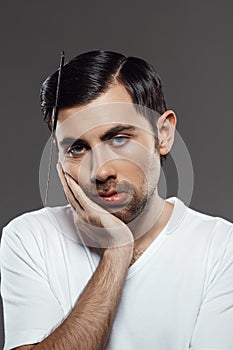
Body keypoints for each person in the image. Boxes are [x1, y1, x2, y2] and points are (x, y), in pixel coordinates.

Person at [1, 50, 233, 350]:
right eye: (77, 148)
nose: (101, 170)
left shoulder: (221, 247)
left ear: (163, 134)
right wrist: (117, 251)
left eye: (119, 138)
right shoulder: (30, 239)